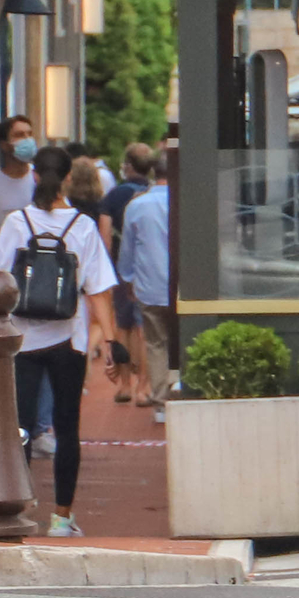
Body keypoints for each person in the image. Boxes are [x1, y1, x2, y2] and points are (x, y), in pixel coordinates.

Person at [0, 146, 118, 536]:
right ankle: (62, 517)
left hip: (22, 338)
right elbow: (97, 290)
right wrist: (111, 341)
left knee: (21, 426)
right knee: (67, 425)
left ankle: (21, 505)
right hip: (69, 340)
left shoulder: (16, 222)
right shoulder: (82, 225)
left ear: (34, 176)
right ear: (67, 180)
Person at [117, 154, 175, 420]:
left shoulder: (137, 206)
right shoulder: (188, 201)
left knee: (156, 343)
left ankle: (161, 401)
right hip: (184, 286)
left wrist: (128, 279)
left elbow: (128, 249)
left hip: (149, 284)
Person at [100, 143, 156, 403]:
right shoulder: (155, 193)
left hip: (122, 268)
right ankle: (144, 387)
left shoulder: (114, 196)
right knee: (144, 329)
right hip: (151, 268)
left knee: (122, 325)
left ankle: (123, 385)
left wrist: (107, 268)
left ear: (128, 166)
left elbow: (105, 236)